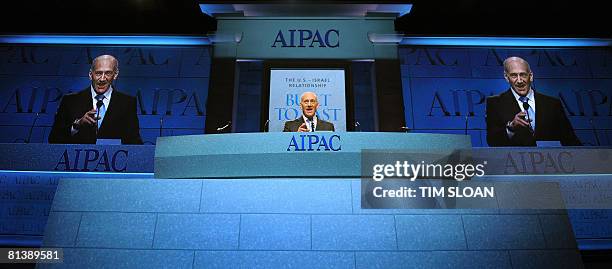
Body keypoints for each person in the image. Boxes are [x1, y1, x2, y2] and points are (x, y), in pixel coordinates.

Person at [486, 56, 581, 146]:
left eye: (523, 74)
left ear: (531, 76)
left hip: (550, 161)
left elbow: (570, 140)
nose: (519, 81)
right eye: (514, 75)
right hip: (513, 161)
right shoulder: (495, 103)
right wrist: (511, 128)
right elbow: (492, 142)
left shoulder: (552, 104)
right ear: (507, 78)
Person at [48, 55, 143, 144]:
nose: (102, 79)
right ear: (90, 74)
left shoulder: (128, 103)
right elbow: (54, 139)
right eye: (98, 73)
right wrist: (77, 125)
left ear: (115, 75)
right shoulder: (69, 101)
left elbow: (134, 141)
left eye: (108, 73)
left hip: (113, 160)